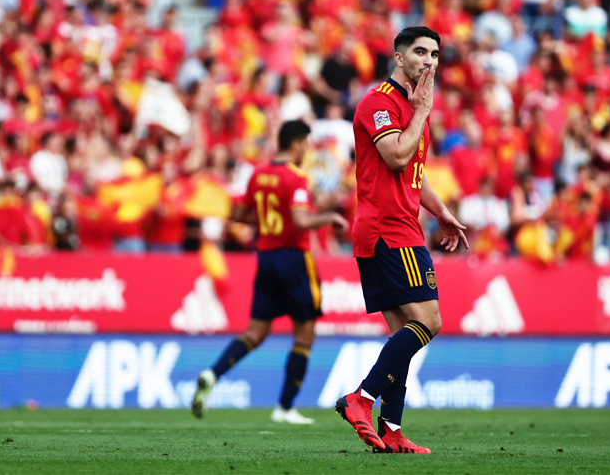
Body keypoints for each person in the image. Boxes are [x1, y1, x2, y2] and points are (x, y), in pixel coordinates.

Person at [335, 27, 468, 454]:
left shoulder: (408, 107)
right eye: (420, 52)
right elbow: (395, 154)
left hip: (393, 226)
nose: (429, 60)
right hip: (390, 230)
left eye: (435, 54)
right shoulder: (380, 102)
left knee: (402, 335)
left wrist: (441, 211)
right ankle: (361, 398)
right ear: (398, 56)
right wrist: (423, 113)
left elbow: (411, 169)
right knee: (430, 322)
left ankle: (390, 427)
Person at [192, 120, 349, 425]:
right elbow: (302, 222)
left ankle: (213, 373)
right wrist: (330, 217)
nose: (306, 150)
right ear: (296, 144)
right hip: (294, 259)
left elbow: (238, 213)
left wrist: (265, 222)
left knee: (255, 331)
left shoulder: (259, 173)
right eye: (305, 144)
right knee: (304, 334)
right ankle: (285, 408)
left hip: (265, 258)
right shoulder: (296, 177)